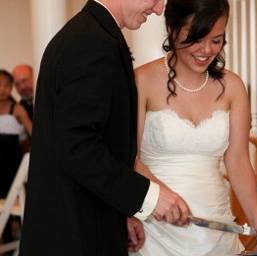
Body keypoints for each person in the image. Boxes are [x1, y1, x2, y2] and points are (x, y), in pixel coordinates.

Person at [19, 1, 190, 256]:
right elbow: (79, 147)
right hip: (73, 236)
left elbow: (106, 140)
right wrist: (148, 196)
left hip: (88, 222)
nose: (158, 9)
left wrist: (123, 211)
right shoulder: (89, 43)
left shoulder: (94, 34)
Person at [130, 0, 257, 255]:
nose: (206, 50)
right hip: (154, 226)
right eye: (195, 38)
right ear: (172, 29)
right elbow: (129, 157)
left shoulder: (233, 86)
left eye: (216, 40)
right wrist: (153, 199)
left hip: (215, 227)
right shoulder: (142, 80)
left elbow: (237, 161)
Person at [0, 69, 32, 198]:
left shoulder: (17, 108)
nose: (2, 89)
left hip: (12, 162)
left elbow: (32, 132)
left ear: (11, 88)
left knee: (13, 198)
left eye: (7, 85)